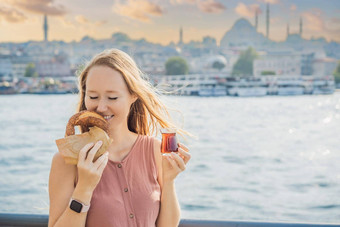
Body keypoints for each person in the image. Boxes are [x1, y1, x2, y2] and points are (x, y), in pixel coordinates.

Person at [48, 48, 191, 227]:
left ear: (133, 95)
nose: (100, 107)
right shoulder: (66, 160)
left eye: (112, 97)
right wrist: (84, 188)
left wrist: (169, 181)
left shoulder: (155, 150)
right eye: (92, 96)